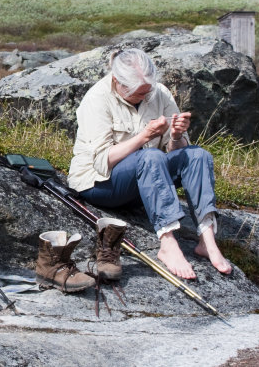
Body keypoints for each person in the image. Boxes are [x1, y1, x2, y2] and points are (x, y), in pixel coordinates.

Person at [68, 48, 232, 279]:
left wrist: (176, 136)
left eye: (148, 91)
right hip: (100, 184)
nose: (146, 97)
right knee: (150, 156)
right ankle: (168, 244)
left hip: (146, 180)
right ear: (117, 82)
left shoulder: (159, 93)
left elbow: (176, 154)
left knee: (197, 155)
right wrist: (144, 136)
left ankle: (207, 240)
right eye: (138, 93)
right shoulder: (96, 100)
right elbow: (103, 162)